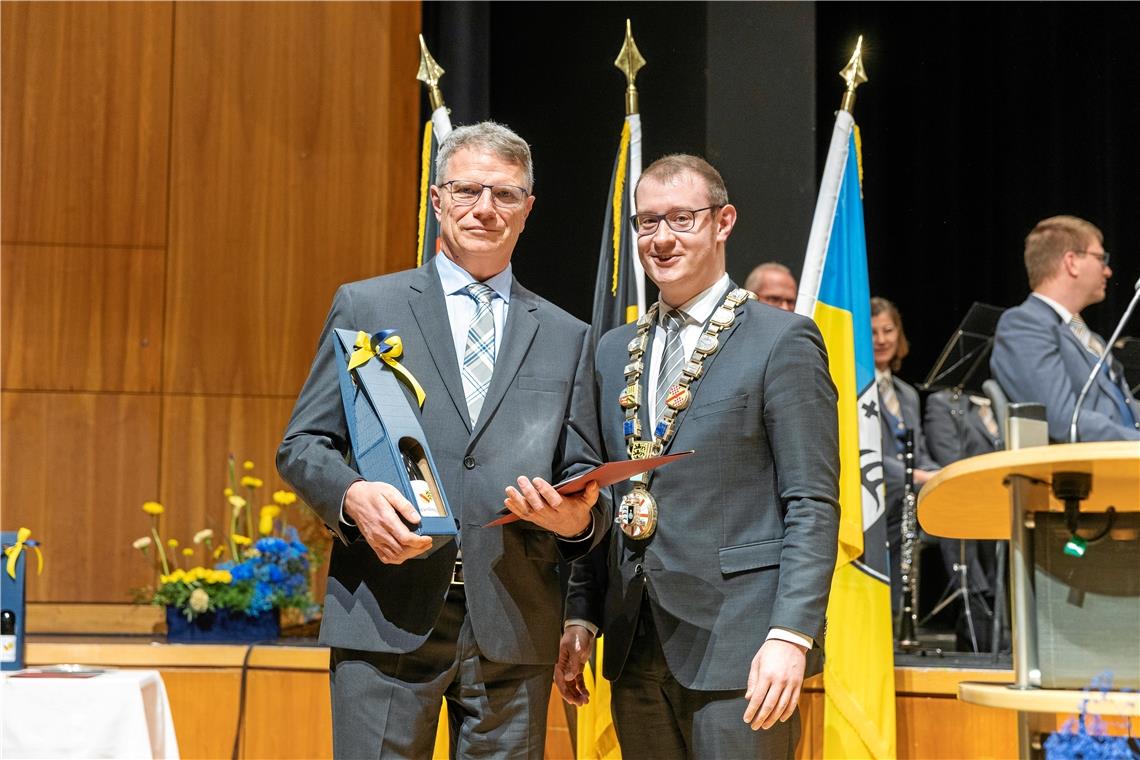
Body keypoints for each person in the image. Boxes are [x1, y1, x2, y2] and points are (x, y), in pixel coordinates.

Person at [277, 122, 606, 759]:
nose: (485, 209)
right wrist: (352, 496)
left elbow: (586, 478)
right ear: (437, 200)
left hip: (514, 623)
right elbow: (303, 446)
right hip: (386, 611)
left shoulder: (569, 336)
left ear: (528, 210)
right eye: (467, 191)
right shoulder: (367, 307)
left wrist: (575, 520)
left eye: (505, 195)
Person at [548, 155, 840, 758]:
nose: (661, 238)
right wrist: (581, 616)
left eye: (682, 218)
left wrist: (792, 634)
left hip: (745, 648)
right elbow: (597, 493)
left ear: (723, 221)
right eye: (647, 222)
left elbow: (811, 501)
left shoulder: (781, 340)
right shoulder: (611, 352)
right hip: (634, 642)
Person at [991, 215, 1140, 442]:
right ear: (1071, 262)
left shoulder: (1088, 335)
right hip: (1089, 470)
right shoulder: (1024, 325)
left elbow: (1125, 408)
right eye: (1101, 258)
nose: (1108, 271)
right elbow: (1063, 420)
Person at [871, 296, 939, 614]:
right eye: (873, 332)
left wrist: (943, 475)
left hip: (907, 495)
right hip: (875, 497)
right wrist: (919, 477)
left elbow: (921, 453)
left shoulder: (907, 394)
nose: (883, 340)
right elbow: (865, 454)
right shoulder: (854, 387)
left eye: (888, 330)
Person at [924, 388, 1002, 650]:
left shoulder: (999, 397)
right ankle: (977, 637)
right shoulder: (944, 402)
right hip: (963, 502)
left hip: (1002, 504)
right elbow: (949, 460)